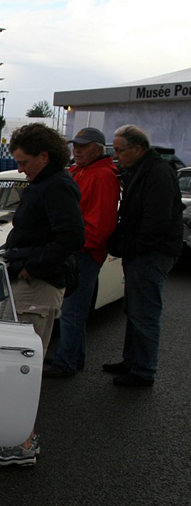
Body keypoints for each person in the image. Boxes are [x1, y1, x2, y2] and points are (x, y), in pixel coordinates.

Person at [0, 123, 84, 467]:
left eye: (24, 161)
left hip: (37, 288)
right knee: (14, 362)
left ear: (45, 155)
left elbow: (71, 236)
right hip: (28, 283)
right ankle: (15, 433)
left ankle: (22, 443)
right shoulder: (48, 183)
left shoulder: (57, 186)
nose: (20, 168)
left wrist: (31, 267)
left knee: (22, 365)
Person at [102, 124, 184, 387]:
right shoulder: (142, 170)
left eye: (120, 150)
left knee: (145, 312)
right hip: (143, 252)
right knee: (135, 309)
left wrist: (133, 249)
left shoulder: (157, 173)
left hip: (150, 255)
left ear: (137, 149)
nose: (117, 156)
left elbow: (155, 220)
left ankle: (144, 370)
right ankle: (132, 361)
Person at [43, 127, 120, 378]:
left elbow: (101, 223)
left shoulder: (102, 176)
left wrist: (73, 247)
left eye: (84, 146)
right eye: (75, 145)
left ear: (99, 148)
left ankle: (66, 362)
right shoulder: (81, 171)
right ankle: (73, 355)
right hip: (78, 249)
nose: (77, 149)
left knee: (72, 309)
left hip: (85, 252)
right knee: (73, 308)